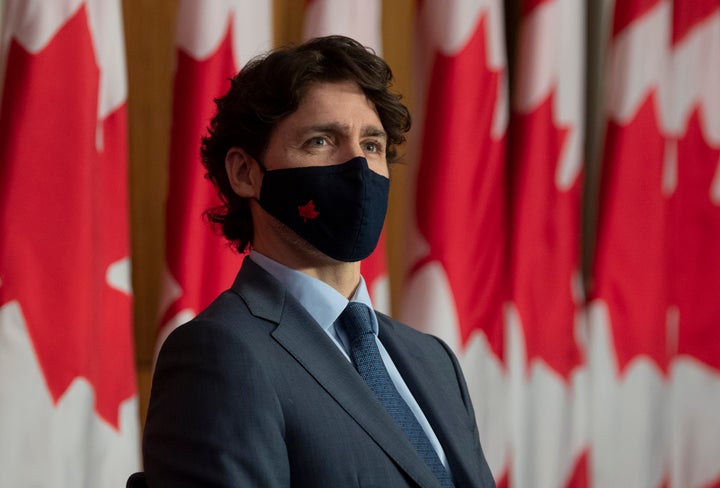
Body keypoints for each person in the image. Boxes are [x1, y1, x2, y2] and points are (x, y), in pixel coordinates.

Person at [141, 35, 495, 487]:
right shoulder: (219, 354)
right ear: (245, 173)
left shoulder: (433, 360)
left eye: (372, 144)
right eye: (321, 140)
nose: (358, 166)